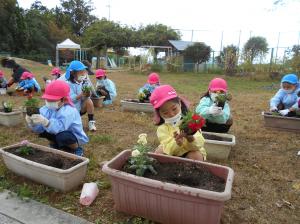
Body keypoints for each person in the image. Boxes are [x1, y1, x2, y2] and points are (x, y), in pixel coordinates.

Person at [25, 80, 88, 156]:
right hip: (57, 132)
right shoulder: (46, 109)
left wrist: (46, 122)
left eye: (52, 100)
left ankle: (76, 148)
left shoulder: (69, 111)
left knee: (63, 136)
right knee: (44, 132)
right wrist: (32, 123)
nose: (49, 102)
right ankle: (56, 145)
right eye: (47, 99)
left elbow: (59, 128)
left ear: (64, 99)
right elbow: (40, 129)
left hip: (72, 135)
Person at [149, 85, 206, 161]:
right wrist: (177, 143)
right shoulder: (162, 129)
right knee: (159, 153)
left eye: (174, 109)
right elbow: (167, 146)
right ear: (159, 114)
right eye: (165, 113)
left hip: (189, 151)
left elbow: (199, 143)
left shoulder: (191, 121)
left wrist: (190, 138)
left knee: (196, 155)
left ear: (180, 103)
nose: (172, 114)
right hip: (172, 154)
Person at [66, 60, 97, 131]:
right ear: (73, 74)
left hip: (80, 108)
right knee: (74, 128)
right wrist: (80, 95)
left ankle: (91, 122)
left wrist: (88, 94)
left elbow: (87, 95)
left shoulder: (85, 82)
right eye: (81, 72)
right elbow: (70, 99)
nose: (83, 74)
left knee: (89, 100)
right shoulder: (68, 84)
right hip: (71, 109)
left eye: (84, 71)